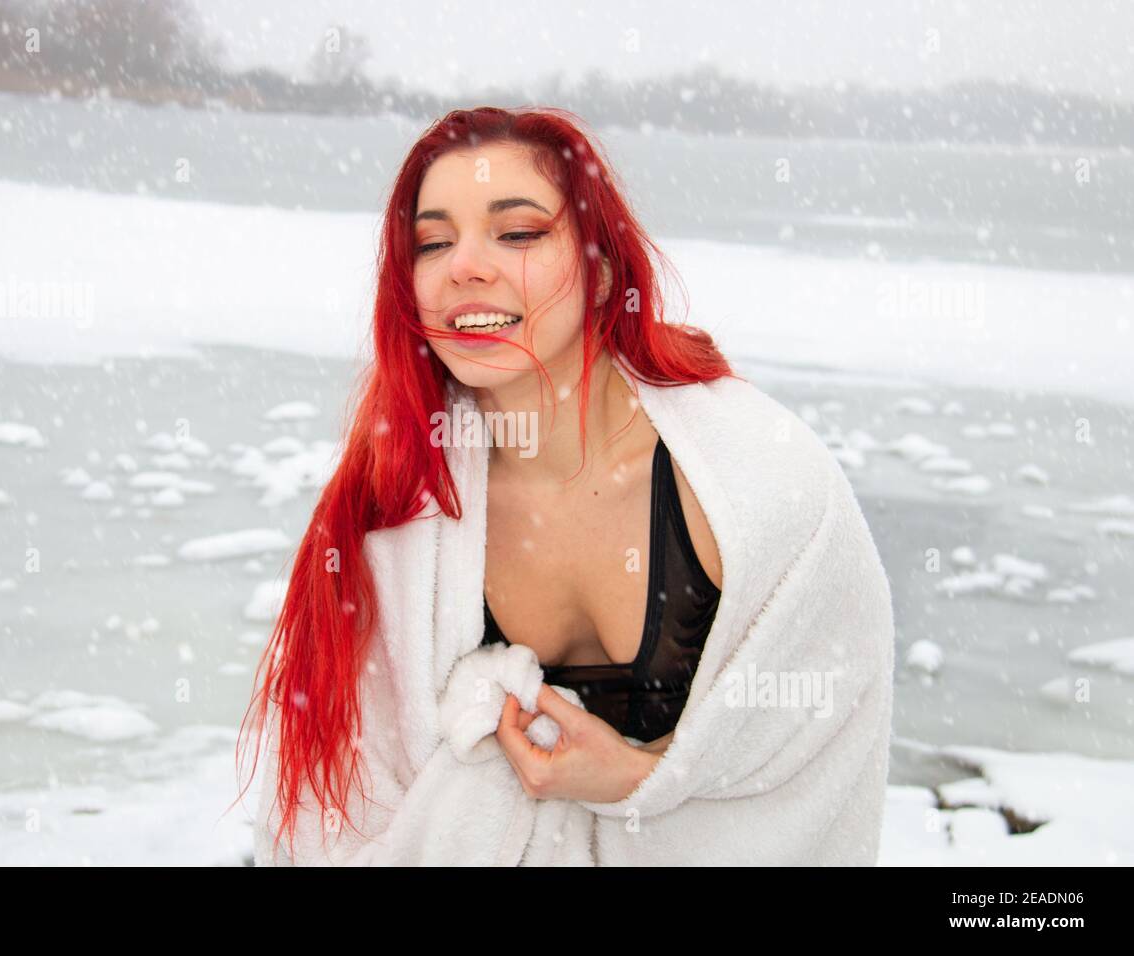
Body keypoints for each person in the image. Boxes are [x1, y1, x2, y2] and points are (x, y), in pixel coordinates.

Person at [236, 106, 894, 865]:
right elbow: (337, 810)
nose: (464, 266)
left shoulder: (764, 486)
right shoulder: (390, 510)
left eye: (517, 233)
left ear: (603, 269)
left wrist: (640, 781)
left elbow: (819, 763)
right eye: (432, 242)